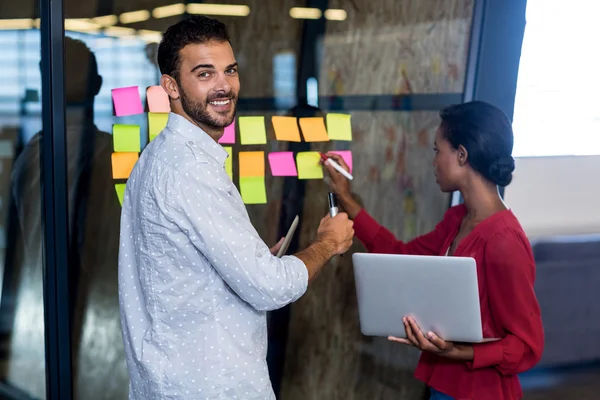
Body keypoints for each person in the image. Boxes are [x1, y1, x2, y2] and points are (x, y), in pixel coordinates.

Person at [118, 16, 354, 400]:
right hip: (210, 387)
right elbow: (270, 287)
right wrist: (327, 243)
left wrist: (253, 257)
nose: (224, 85)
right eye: (205, 74)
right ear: (171, 86)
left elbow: (181, 268)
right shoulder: (190, 170)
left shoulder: (156, 156)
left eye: (230, 70)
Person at [323, 101, 544, 400]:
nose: (434, 161)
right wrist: (345, 199)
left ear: (462, 155)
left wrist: (461, 352)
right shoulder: (457, 220)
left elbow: (527, 345)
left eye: (438, 151)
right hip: (443, 386)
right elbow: (399, 254)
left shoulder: (505, 241)